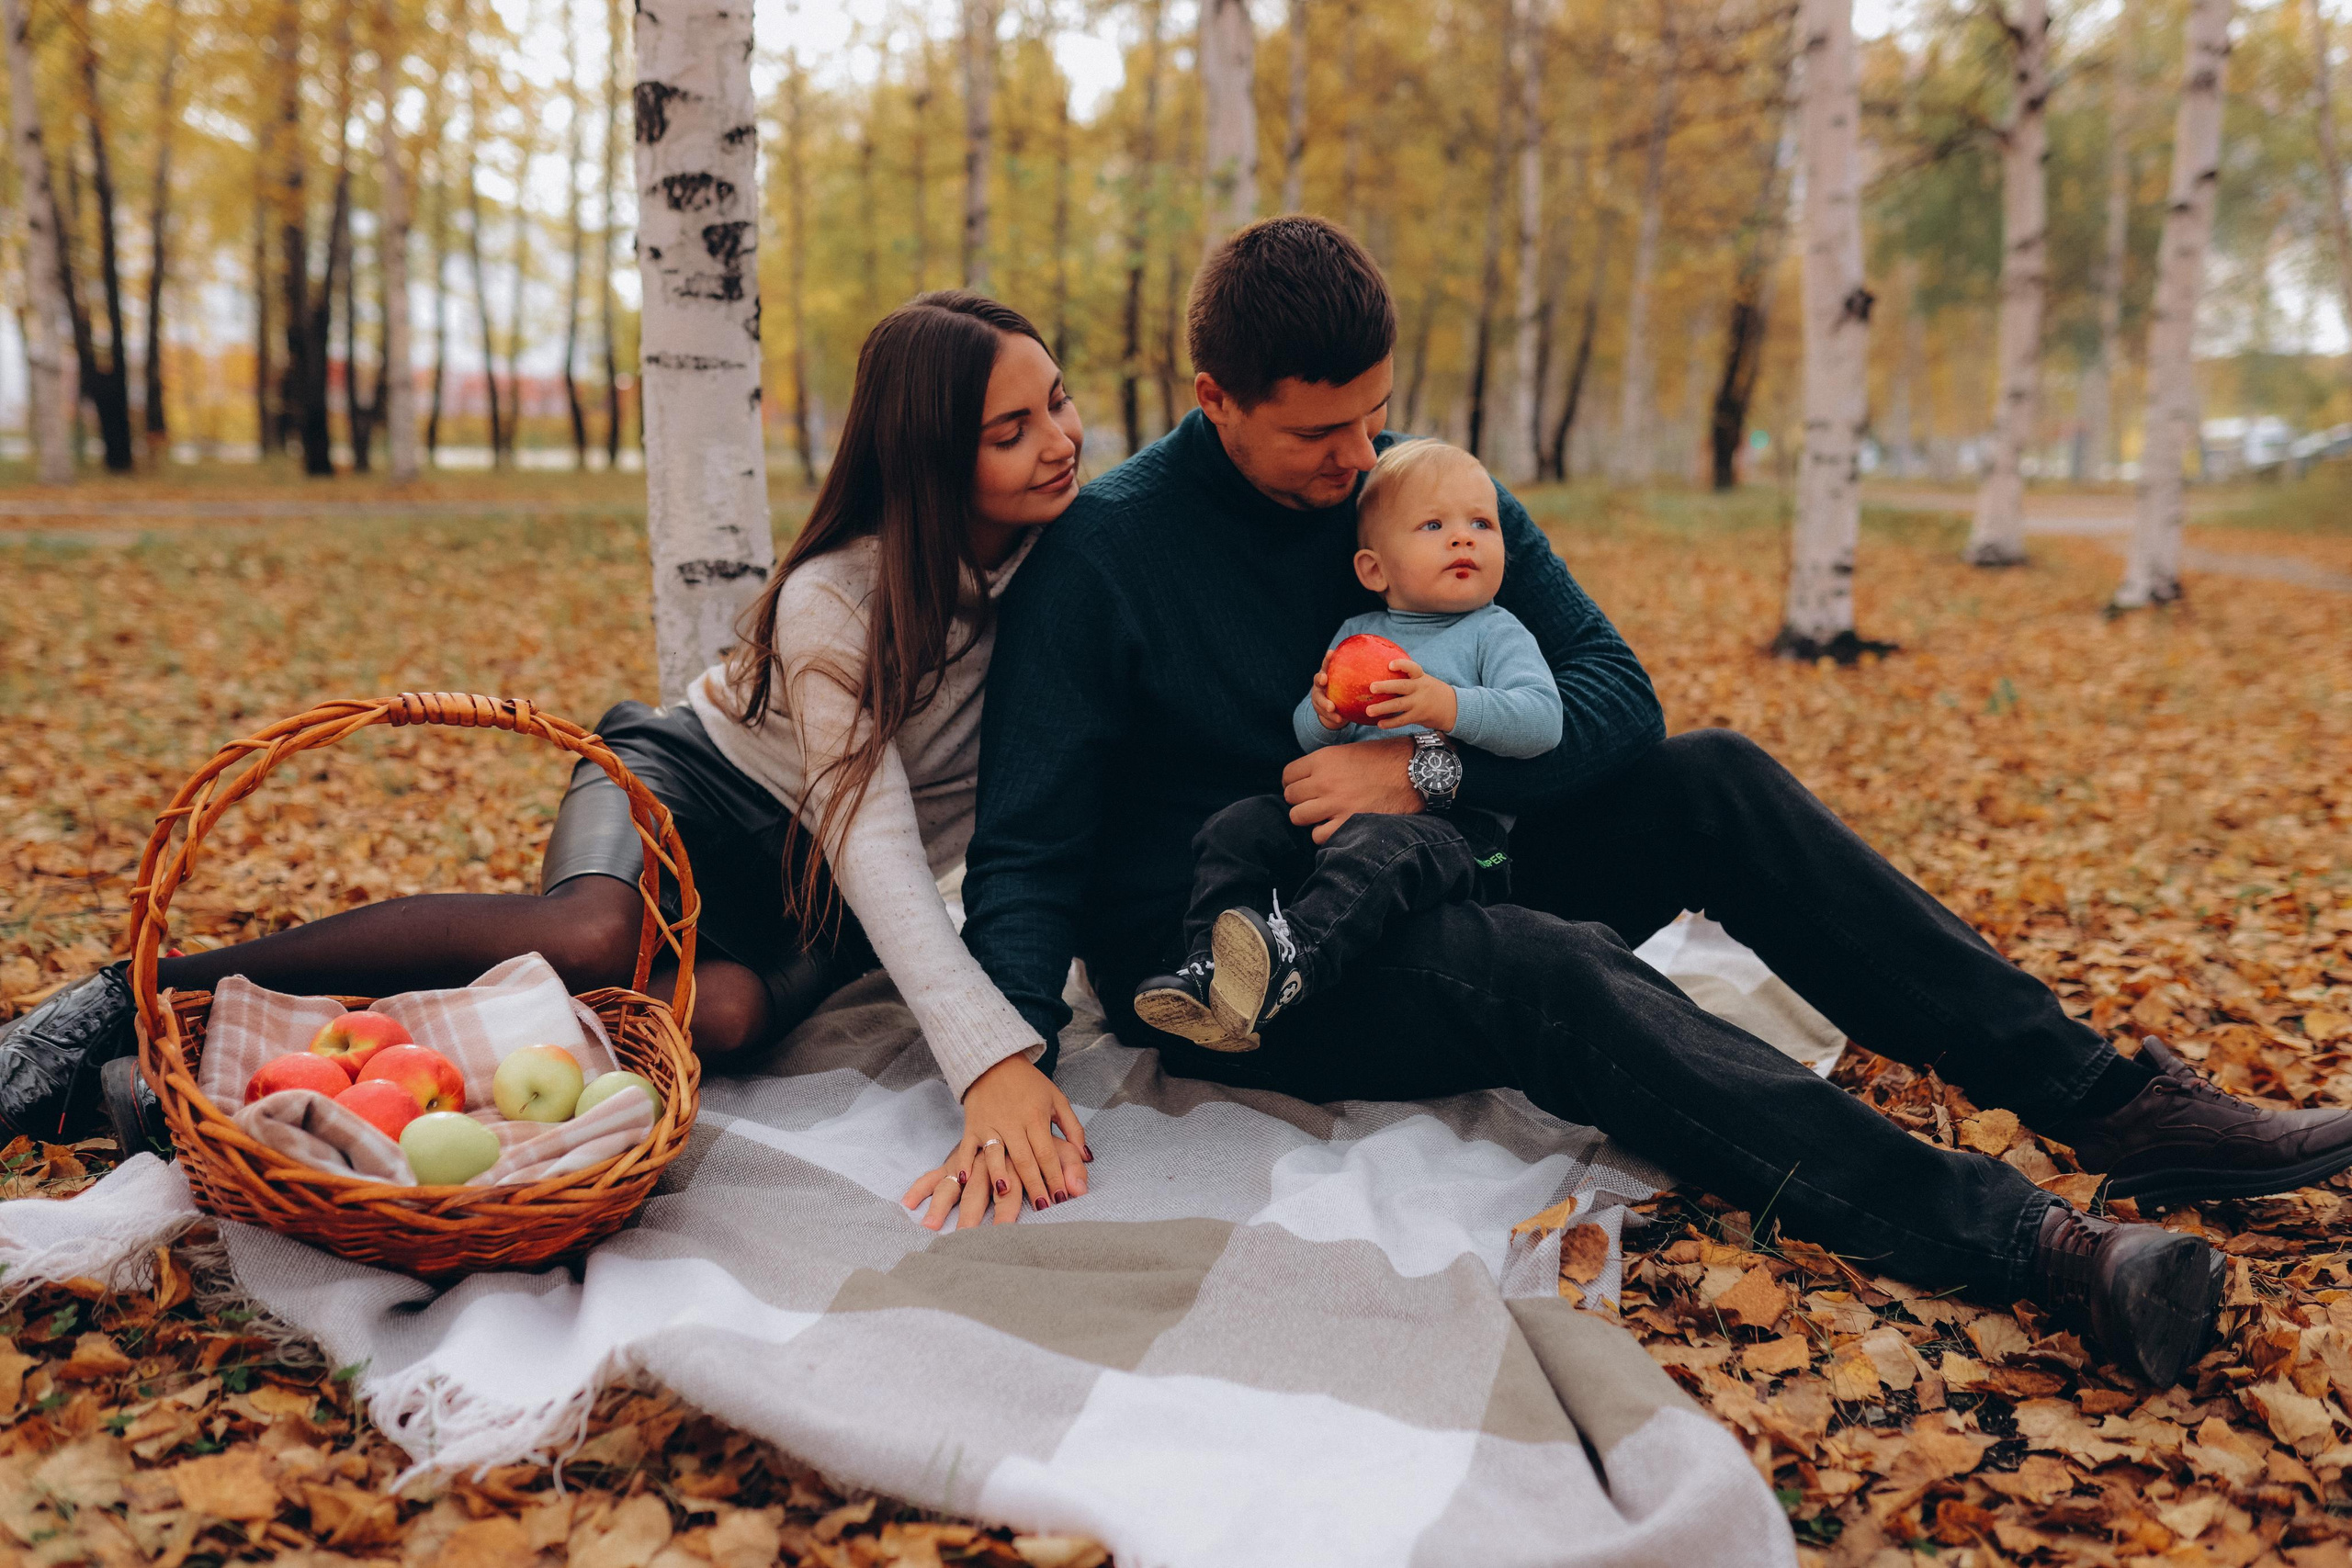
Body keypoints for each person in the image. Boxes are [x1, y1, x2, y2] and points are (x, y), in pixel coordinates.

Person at [955, 215, 2352, 1387]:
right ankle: (2039, 1247)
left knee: (1716, 777)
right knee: (1551, 968)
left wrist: (1430, 766)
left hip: (1436, 847)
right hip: (1246, 955)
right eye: (1321, 433)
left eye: (1378, 411)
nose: (1357, 458)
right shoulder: (1109, 553)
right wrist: (999, 1056)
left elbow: (1618, 693)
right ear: (1214, 399)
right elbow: (1025, 844)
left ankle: (2108, 1100)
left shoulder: (1409, 497)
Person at [1, 292, 1084, 1232]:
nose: (1057, 440)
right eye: (1009, 430)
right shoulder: (833, 599)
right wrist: (988, 1061)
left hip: (809, 889)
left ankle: (180, 1087)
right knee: (589, 934)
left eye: (1059, 402)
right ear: (931, 458)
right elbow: (878, 838)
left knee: (730, 1018)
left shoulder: (1073, 570)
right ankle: (128, 995)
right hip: (700, 782)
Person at [1132, 438, 1555, 1051]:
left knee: (1378, 843)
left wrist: (1447, 705)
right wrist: (1325, 713)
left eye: (1481, 524)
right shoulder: (1358, 634)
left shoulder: (1495, 631)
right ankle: (1211, 974)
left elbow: (1543, 721)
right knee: (1238, 825)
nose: (1463, 538)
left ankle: (1293, 959)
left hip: (1462, 839)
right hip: (1346, 828)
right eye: (1434, 524)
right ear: (1373, 569)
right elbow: (1309, 736)